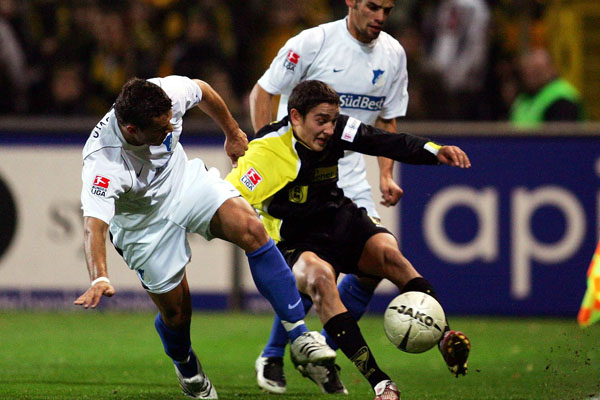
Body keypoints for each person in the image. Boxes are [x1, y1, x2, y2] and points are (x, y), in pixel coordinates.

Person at [74, 75, 337, 399]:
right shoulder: (103, 161)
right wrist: (99, 277)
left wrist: (233, 132)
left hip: (184, 183)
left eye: (170, 121)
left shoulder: (167, 95)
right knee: (177, 314)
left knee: (252, 228)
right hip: (143, 224)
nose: (170, 129)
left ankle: (298, 333)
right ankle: (186, 364)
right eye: (160, 129)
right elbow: (94, 225)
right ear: (132, 131)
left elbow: (204, 90)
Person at [226, 80, 472, 399]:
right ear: (296, 116)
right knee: (320, 280)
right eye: (321, 120)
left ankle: (443, 334)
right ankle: (381, 382)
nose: (329, 129)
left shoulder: (338, 129)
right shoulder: (267, 151)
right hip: (295, 239)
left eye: (333, 120)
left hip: (338, 218)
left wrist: (434, 151)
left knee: (389, 254)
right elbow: (229, 200)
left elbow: (385, 141)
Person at [248, 0, 410, 393]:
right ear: (351, 1)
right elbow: (263, 92)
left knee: (373, 268)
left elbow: (387, 118)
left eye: (388, 10)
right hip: (303, 175)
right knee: (317, 271)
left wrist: (385, 173)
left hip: (351, 177)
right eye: (373, 6)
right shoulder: (313, 42)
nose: (380, 17)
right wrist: (267, 153)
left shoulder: (393, 54)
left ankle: (320, 349)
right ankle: (273, 354)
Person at [509, 47, 584, 127]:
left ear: (552, 69)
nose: (530, 75)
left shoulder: (562, 98)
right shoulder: (524, 97)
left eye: (537, 70)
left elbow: (561, 132)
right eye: (527, 70)